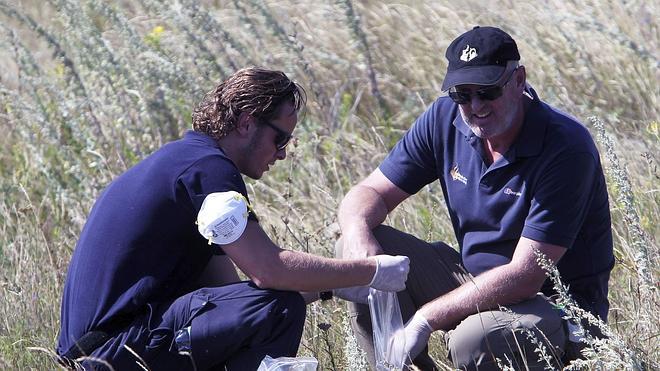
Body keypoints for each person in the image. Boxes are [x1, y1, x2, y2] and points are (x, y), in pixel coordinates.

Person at [56, 67, 410, 371]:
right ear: (246, 122)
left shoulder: (187, 162)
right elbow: (267, 271)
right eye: (280, 138)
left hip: (101, 349)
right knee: (277, 309)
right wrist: (371, 271)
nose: (284, 153)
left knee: (266, 305)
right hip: (111, 351)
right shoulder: (208, 170)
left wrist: (333, 285)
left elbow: (230, 294)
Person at [336, 26, 614, 370]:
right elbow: (369, 193)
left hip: (554, 303)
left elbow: (527, 274)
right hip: (473, 279)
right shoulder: (444, 119)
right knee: (362, 251)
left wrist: (425, 319)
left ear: (518, 80)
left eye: (487, 91)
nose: (475, 106)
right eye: (462, 94)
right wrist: (357, 234)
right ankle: (390, 364)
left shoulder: (565, 147)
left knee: (476, 340)